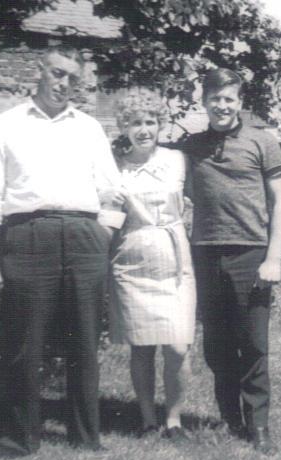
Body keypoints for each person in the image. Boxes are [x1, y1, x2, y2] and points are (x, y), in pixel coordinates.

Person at [0, 45, 125, 456]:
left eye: (73, 78)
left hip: (84, 236)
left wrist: (103, 235)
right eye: (57, 73)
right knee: (24, 343)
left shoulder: (89, 127)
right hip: (27, 235)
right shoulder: (6, 125)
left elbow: (112, 190)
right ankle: (18, 438)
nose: (64, 83)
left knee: (85, 341)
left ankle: (85, 435)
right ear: (39, 72)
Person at [182, 68, 281, 454]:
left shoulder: (263, 141)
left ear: (239, 101)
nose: (222, 105)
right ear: (204, 101)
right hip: (206, 253)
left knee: (253, 342)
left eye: (229, 98)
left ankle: (258, 425)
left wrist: (273, 257)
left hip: (251, 253)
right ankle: (229, 419)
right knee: (217, 343)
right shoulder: (191, 146)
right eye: (215, 98)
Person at [108, 89, 196, 441]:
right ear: (124, 126)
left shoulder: (178, 160)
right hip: (132, 256)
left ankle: (173, 420)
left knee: (178, 345)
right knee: (141, 345)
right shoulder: (114, 165)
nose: (144, 129)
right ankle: (147, 420)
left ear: (160, 124)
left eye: (150, 121)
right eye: (135, 122)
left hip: (174, 257)